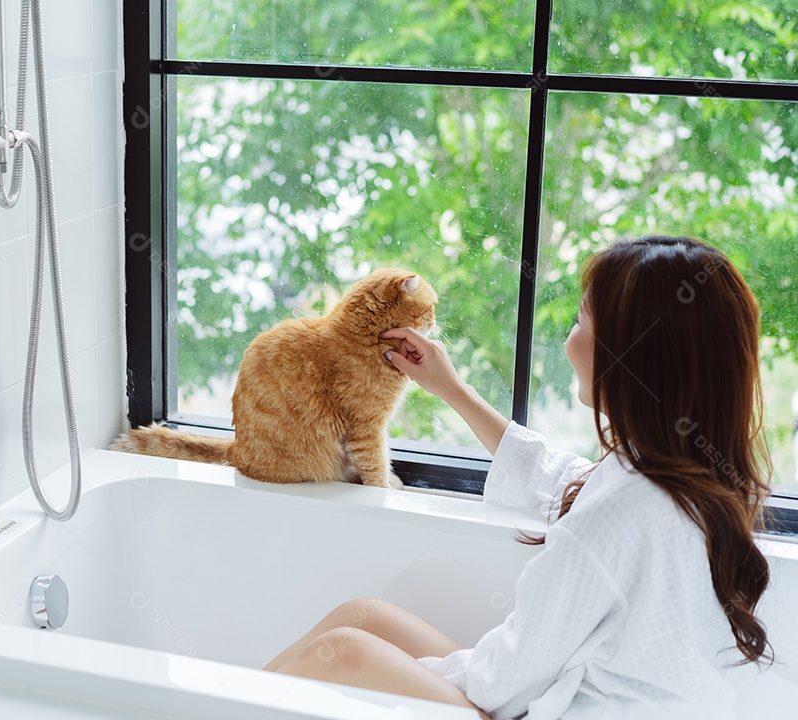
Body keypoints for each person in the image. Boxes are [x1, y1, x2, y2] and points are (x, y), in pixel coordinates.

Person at [264, 237, 774, 720]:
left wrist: (415, 677)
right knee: (365, 615)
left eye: (580, 320)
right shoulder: (684, 474)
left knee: (347, 653)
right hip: (575, 695)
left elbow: (504, 686)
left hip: (554, 703)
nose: (567, 338)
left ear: (630, 357)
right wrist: (453, 390)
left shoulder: (614, 515)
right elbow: (559, 476)